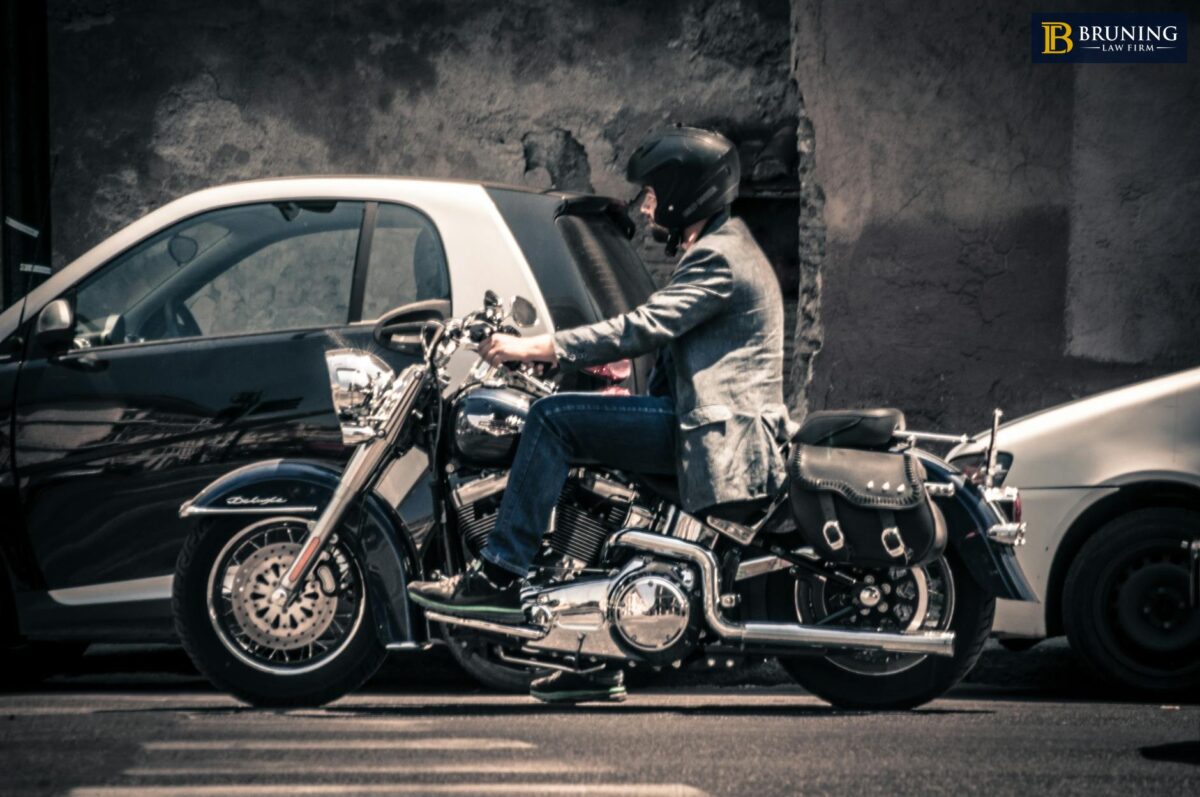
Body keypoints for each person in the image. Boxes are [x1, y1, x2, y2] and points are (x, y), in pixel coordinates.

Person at [408, 126, 795, 703]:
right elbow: (671, 348)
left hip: (717, 435)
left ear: (685, 194)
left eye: (653, 193)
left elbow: (640, 327)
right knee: (592, 462)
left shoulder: (718, 257)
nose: (645, 205)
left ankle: (498, 576)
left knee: (554, 419)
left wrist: (535, 347)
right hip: (702, 421)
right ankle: (588, 654)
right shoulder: (724, 245)